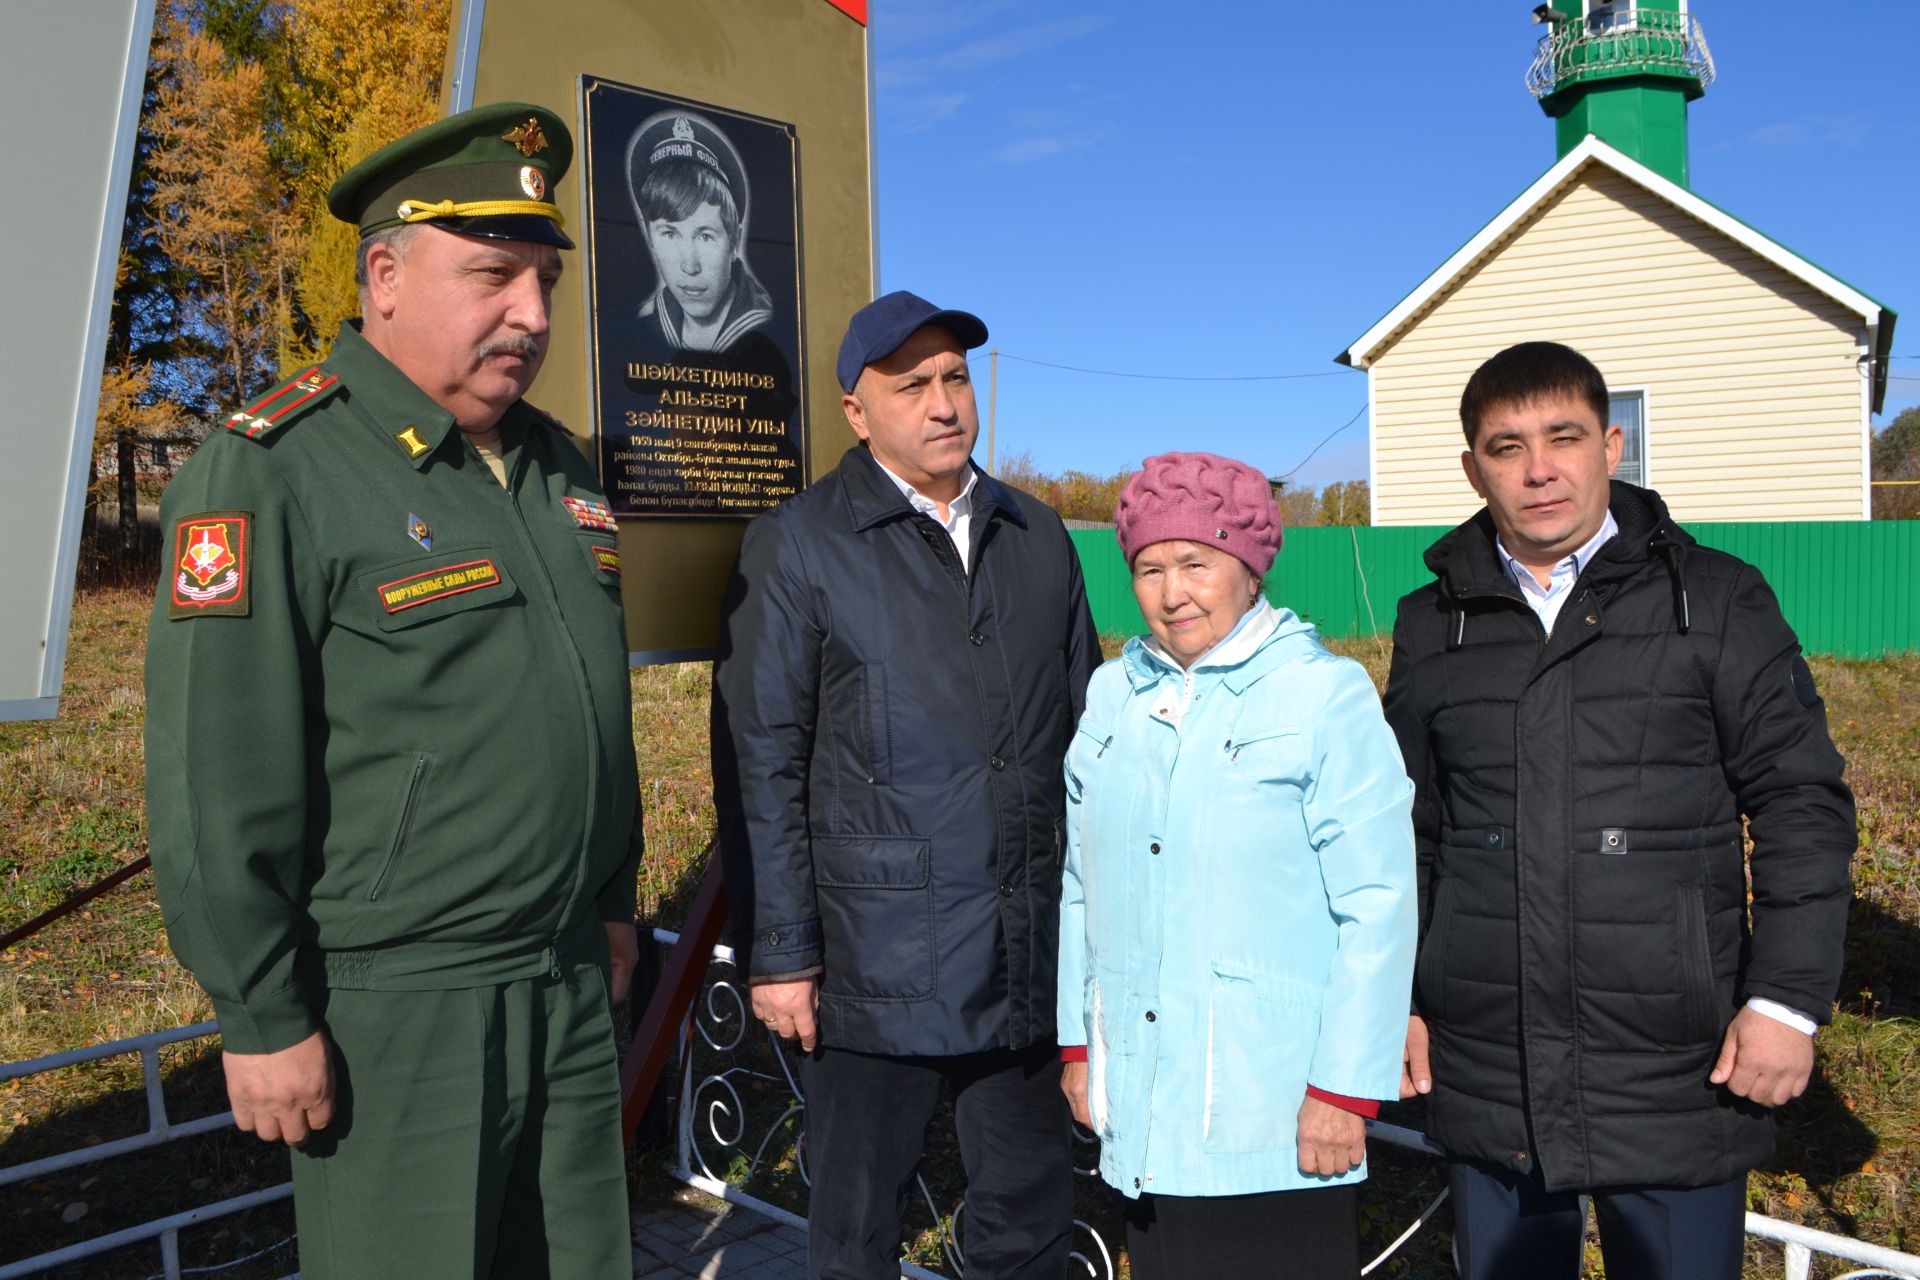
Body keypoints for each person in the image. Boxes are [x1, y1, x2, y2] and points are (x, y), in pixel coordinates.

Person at [144, 103, 643, 1280]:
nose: (533, 314)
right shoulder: (274, 466)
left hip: (566, 977)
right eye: (494, 277)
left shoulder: (558, 464)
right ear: (384, 273)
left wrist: (612, 899)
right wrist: (262, 1013)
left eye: (545, 281)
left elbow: (590, 712)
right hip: (400, 1007)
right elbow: (218, 772)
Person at [1383, 341, 1855, 1280]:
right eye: (1506, 446)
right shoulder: (1434, 621)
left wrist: (1787, 1002)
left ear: (1612, 443)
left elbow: (1800, 802)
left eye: (1563, 437)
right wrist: (1397, 1001)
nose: (1539, 468)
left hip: (1680, 1063)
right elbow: (1409, 832)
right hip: (1489, 1060)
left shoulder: (1714, 598)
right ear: (1472, 467)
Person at [711, 290, 1102, 1280]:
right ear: (857, 410)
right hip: (870, 965)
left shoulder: (1037, 536)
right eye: (912, 383)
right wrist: (783, 949)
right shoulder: (801, 543)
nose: (944, 403)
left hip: (1019, 956)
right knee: (856, 1227)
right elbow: (765, 755)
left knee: (1026, 1222)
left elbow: (1085, 734)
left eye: (956, 377)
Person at [1056, 452, 1417, 1280]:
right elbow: (1081, 885)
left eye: (1196, 563)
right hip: (1141, 1094)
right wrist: (1080, 1048)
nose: (1172, 591)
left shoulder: (1324, 695)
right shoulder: (1114, 695)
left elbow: (1379, 900)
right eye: (1149, 568)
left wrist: (1342, 1089)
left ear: (1250, 571)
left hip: (1272, 1107)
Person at [627, 109, 772, 354]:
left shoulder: (768, 325)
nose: (690, 266)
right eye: (670, 234)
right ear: (649, 237)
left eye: (705, 236)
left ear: (734, 241)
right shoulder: (645, 322)